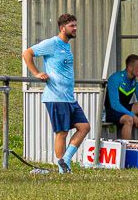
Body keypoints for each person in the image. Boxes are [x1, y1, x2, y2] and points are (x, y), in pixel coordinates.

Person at [23, 14, 90, 173]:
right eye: (72, 26)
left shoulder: (66, 46)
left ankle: (65, 161)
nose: (75, 28)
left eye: (75, 25)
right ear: (62, 28)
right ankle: (63, 169)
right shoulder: (52, 43)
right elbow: (27, 53)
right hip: (56, 96)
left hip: (69, 97)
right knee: (62, 132)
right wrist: (37, 73)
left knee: (84, 127)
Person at [105, 54, 138, 142]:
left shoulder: (136, 79)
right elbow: (114, 104)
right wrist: (132, 115)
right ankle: (125, 148)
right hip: (111, 111)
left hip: (123, 109)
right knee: (129, 119)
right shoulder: (115, 78)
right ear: (130, 68)